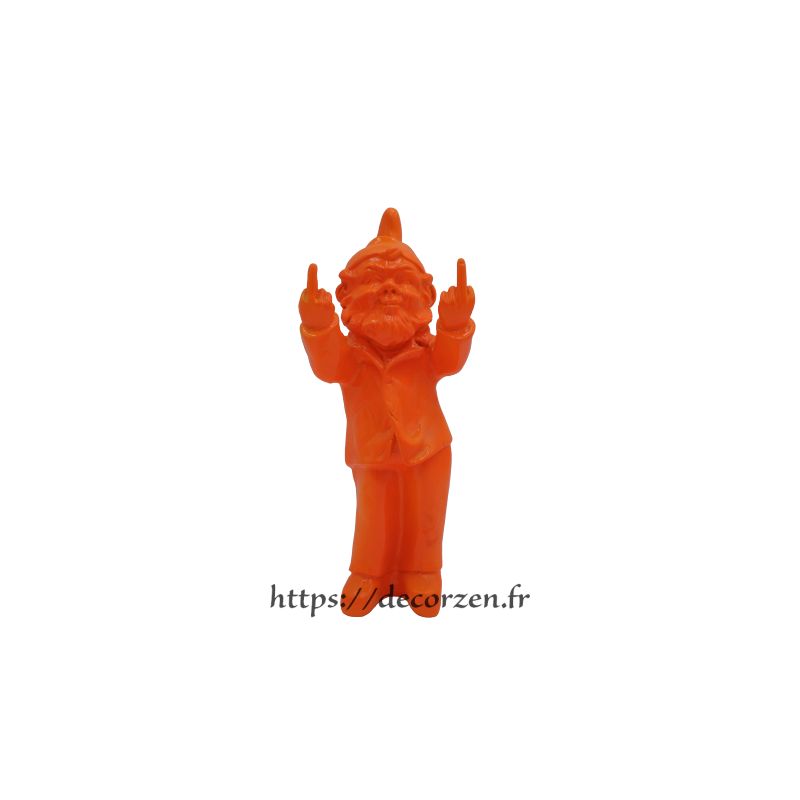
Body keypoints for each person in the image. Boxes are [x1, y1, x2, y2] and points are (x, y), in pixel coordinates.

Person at [298, 208, 476, 618]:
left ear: (423, 296)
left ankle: (422, 573)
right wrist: (319, 326)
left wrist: (454, 325)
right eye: (376, 282)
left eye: (401, 282)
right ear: (349, 294)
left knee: (425, 515)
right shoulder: (352, 354)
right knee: (374, 514)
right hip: (372, 448)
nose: (390, 290)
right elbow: (326, 367)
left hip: (428, 447)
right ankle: (369, 574)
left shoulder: (424, 349)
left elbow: (450, 361)